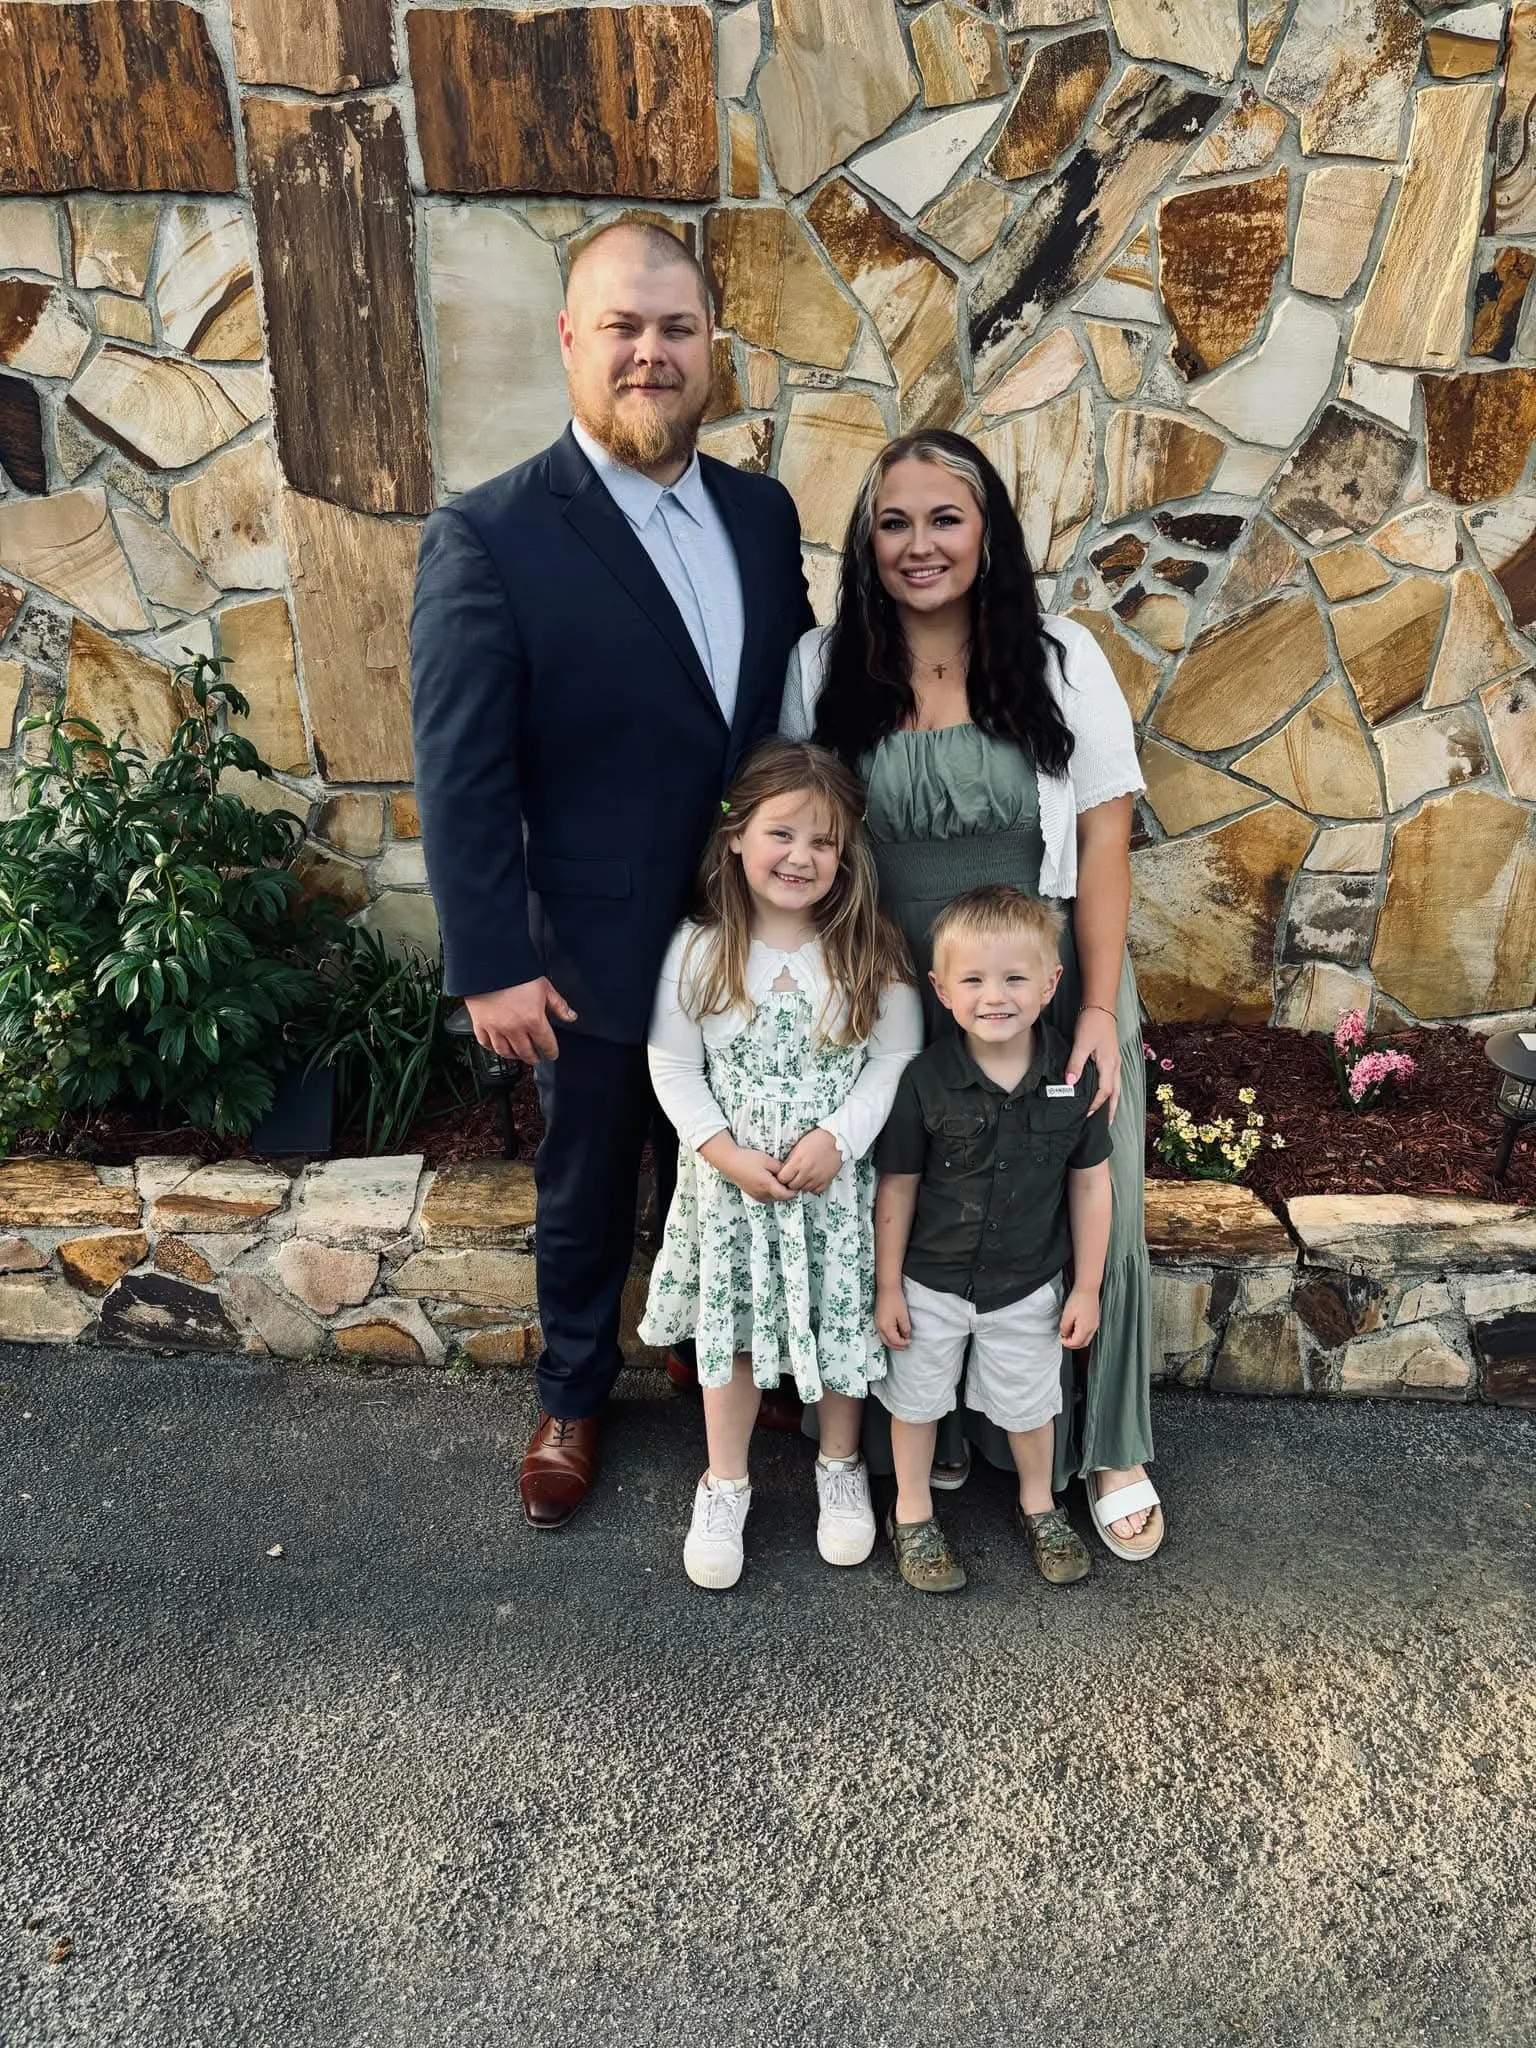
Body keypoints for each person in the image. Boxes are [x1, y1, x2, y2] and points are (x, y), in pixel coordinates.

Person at [412, 222, 813, 1530]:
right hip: (581, 949)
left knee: (735, 1154)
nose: (652, 352)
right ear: (572, 342)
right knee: (586, 1181)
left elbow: (782, 712)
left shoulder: (762, 513)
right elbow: (462, 768)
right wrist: (489, 960)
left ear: (713, 352)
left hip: (751, 936)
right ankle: (575, 1393)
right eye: (623, 328)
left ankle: (720, 1361)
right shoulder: (491, 535)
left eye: (677, 329)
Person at [781, 427, 1165, 1562]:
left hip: (1044, 987)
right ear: (866, 542)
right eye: (892, 522)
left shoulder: (1060, 659)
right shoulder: (822, 668)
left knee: (1092, 1196)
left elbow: (1104, 842)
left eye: (944, 518)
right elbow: (799, 842)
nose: (919, 544)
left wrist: (1094, 1009)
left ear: (986, 529)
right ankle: (932, 1411)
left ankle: (1106, 1447)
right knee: (909, 1200)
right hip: (899, 997)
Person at [640, 739, 922, 1590]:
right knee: (727, 1336)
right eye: (782, 834)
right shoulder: (699, 948)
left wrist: (838, 1137)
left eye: (825, 842)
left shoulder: (867, 948)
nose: (802, 857)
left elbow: (894, 1060)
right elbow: (673, 1067)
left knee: (840, 1327)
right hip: (733, 1191)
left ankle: (839, 1468)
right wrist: (724, 1155)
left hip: (829, 1192)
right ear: (735, 836)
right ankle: (724, 1482)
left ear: (847, 855)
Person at [874, 886, 1111, 1592]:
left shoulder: (1076, 1076)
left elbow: (1091, 1185)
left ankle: (1039, 1503)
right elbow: (898, 1187)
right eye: (973, 979)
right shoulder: (924, 1080)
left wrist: (1089, 1287)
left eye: (1014, 977)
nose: (995, 996)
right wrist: (888, 1284)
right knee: (915, 1401)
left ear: (1051, 983)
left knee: (1031, 1405)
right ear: (941, 989)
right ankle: (912, 1511)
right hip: (930, 1281)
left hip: (1027, 1284)